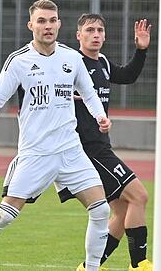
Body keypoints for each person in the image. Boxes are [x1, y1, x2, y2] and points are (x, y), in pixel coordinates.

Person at [0, 0, 113, 271]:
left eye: (52, 20)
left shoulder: (72, 59)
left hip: (70, 151)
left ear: (59, 24)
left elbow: (88, 93)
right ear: (31, 26)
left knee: (101, 209)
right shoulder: (19, 61)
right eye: (41, 21)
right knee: (5, 215)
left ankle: (92, 268)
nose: (47, 26)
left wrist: (100, 115)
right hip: (36, 153)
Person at [66, 14, 153, 271]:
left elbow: (127, 76)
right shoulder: (72, 64)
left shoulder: (102, 62)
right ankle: (139, 264)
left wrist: (141, 50)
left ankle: (90, 266)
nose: (96, 34)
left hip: (102, 145)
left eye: (100, 30)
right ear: (78, 35)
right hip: (88, 148)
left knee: (123, 208)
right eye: (90, 30)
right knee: (139, 195)